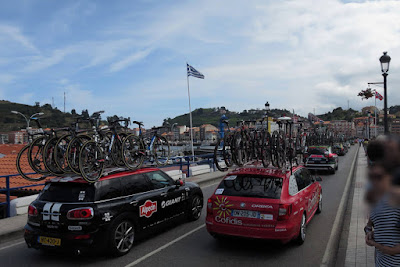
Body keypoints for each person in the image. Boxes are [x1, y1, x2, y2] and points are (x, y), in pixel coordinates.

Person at [365, 168, 400, 266]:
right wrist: (369, 234)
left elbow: (394, 250)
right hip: (380, 263)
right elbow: (368, 226)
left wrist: (375, 244)